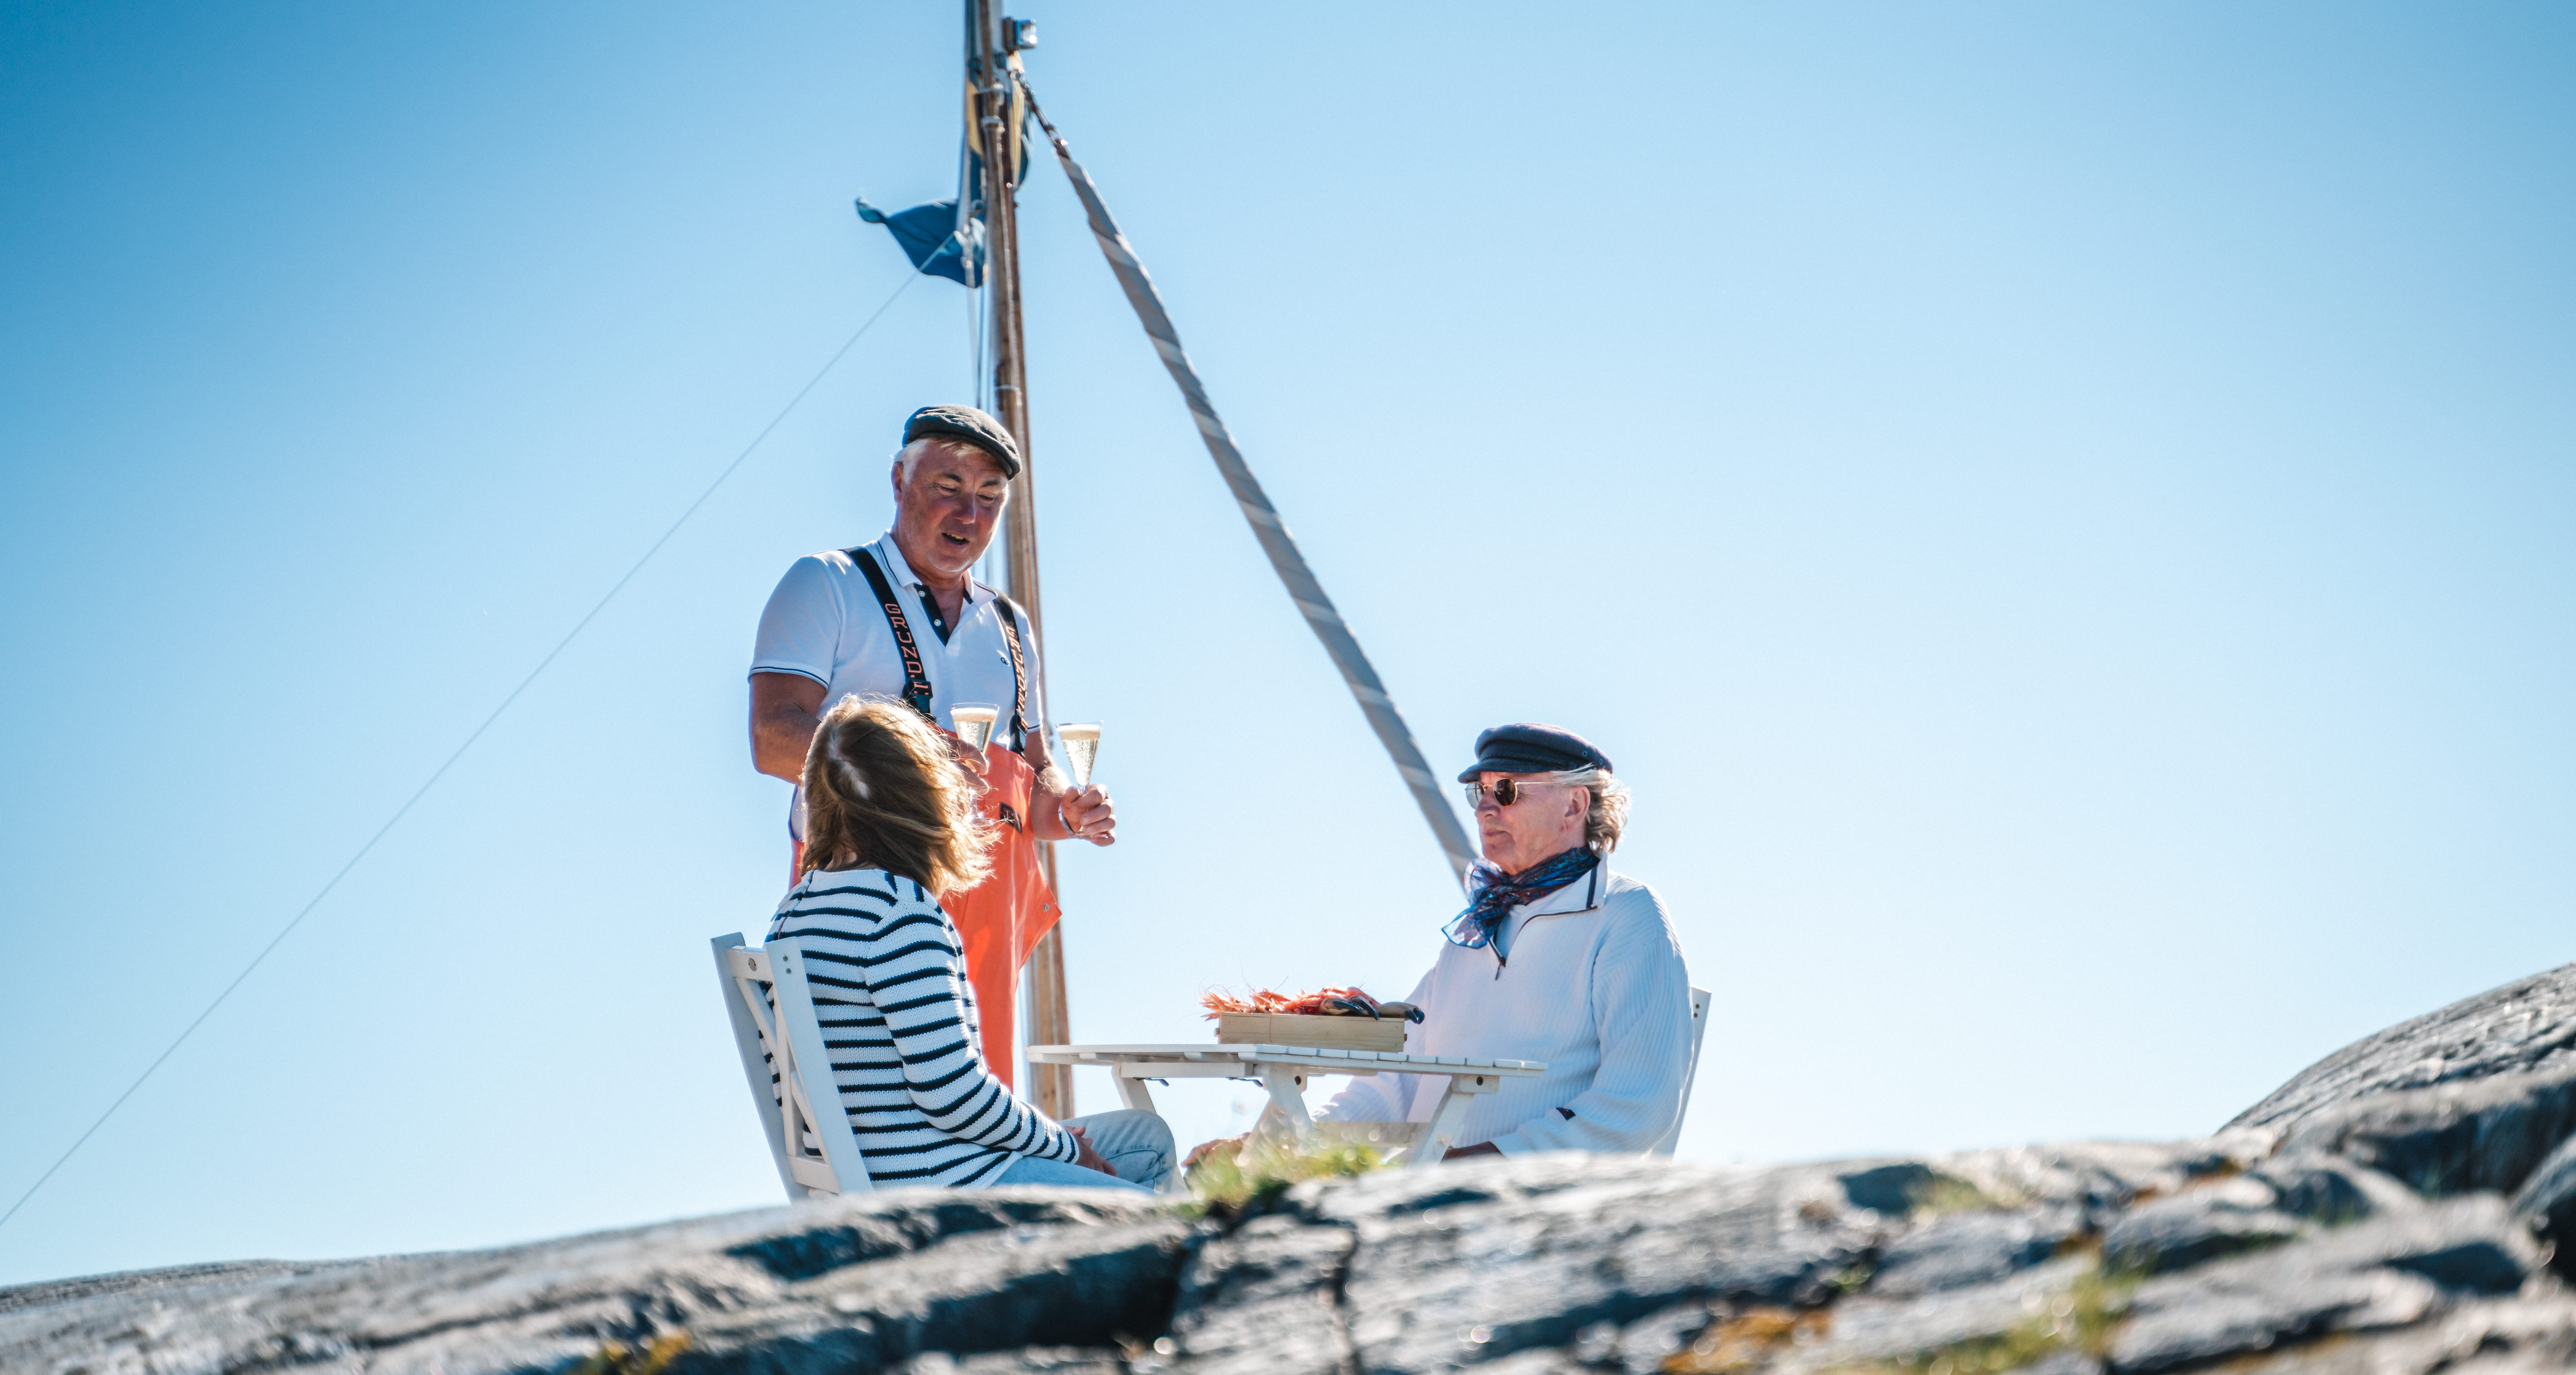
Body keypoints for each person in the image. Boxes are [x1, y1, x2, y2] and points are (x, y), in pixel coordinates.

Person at [749, 403, 1115, 1075]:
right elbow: (773, 739)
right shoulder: (828, 583)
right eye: (948, 488)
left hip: (987, 901)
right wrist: (913, 757)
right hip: (866, 889)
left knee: (981, 1091)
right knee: (870, 1090)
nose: (969, 517)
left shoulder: (1009, 623)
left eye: (989, 499)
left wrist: (1066, 807)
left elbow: (1032, 771)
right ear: (899, 478)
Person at [1191, 723, 1692, 1167]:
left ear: (1574, 805)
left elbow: (1638, 1107)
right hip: (1428, 1199)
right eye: (1479, 792)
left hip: (1538, 1213)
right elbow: (1395, 1083)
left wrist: (1472, 1167)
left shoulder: (1627, 915)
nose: (1487, 807)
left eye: (1508, 789)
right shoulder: (1477, 931)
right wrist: (1277, 1144)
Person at [769, 695, 1171, 1190]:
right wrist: (1066, 1147)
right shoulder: (898, 912)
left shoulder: (793, 912)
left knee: (1145, 1135)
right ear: (921, 797)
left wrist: (1051, 1140)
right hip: (948, 1185)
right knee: (1165, 1215)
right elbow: (954, 1096)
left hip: (882, 1168)